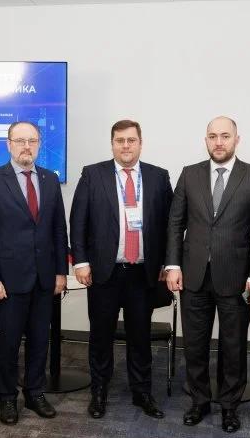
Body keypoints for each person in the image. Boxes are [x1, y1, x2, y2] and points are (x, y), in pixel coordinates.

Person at [165, 116, 250, 433]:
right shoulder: (190, 174)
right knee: (194, 344)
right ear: (206, 140)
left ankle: (229, 407)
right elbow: (175, 223)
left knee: (233, 346)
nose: (219, 142)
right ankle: (199, 401)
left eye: (225, 136)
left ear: (237, 139)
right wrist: (173, 265)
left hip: (236, 277)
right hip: (193, 275)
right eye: (213, 136)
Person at [70, 119, 174, 419]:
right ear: (112, 144)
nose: (125, 146)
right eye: (120, 140)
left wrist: (168, 263)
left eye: (131, 140)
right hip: (105, 272)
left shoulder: (158, 177)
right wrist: (81, 261)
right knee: (101, 336)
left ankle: (142, 393)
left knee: (140, 337)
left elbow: (170, 225)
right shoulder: (93, 174)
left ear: (141, 143)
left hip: (143, 273)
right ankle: (99, 392)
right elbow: (78, 221)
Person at [0, 121, 68, 425]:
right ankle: (7, 398)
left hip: (44, 278)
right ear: (9, 144)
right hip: (9, 280)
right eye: (20, 141)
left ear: (39, 144)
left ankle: (35, 392)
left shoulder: (50, 179)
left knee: (40, 340)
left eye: (32, 141)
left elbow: (59, 230)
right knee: (9, 343)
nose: (26, 146)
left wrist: (61, 272)